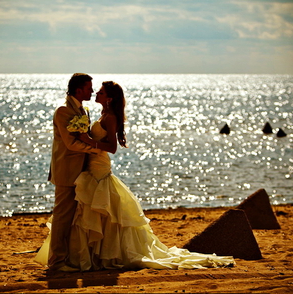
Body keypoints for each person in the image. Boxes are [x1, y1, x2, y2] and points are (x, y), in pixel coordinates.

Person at [35, 81, 235, 271]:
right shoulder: (95, 113)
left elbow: (111, 148)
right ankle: (84, 255)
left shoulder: (109, 117)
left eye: (101, 92)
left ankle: (100, 255)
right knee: (88, 212)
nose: (96, 92)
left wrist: (89, 141)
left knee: (101, 210)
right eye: (93, 89)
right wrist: (88, 141)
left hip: (99, 167)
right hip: (88, 169)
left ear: (110, 99)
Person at [44, 73, 102, 272]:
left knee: (74, 218)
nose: (91, 91)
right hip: (66, 172)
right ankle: (57, 262)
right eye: (88, 88)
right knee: (62, 217)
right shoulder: (62, 111)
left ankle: (69, 257)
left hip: (82, 172)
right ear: (78, 90)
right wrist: (97, 149)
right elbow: (70, 143)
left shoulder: (82, 110)